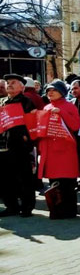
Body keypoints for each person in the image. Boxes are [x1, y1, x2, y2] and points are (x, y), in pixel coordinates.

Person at [37, 80, 80, 219]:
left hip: (66, 151)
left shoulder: (69, 106)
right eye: (48, 90)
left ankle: (69, 211)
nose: (50, 93)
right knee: (54, 183)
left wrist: (62, 113)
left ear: (62, 92)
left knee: (67, 182)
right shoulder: (46, 107)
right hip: (50, 150)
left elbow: (75, 126)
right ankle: (56, 210)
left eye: (54, 90)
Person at [0, 74, 36, 217]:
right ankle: (11, 206)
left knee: (24, 178)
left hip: (21, 145)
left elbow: (33, 123)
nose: (9, 84)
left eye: (13, 82)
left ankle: (27, 207)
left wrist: (26, 137)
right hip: (4, 145)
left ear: (22, 87)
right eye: (8, 82)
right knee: (5, 178)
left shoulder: (26, 102)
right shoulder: (2, 102)